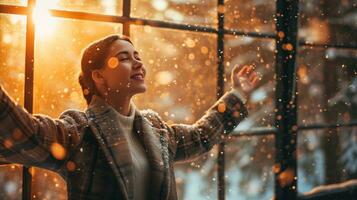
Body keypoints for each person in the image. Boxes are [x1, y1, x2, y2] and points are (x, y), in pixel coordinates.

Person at [0, 34, 259, 200]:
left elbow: (200, 137)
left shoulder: (156, 129)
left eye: (138, 57)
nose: (138, 64)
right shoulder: (79, 131)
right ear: (98, 77)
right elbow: (26, 132)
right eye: (123, 58)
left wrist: (237, 93)